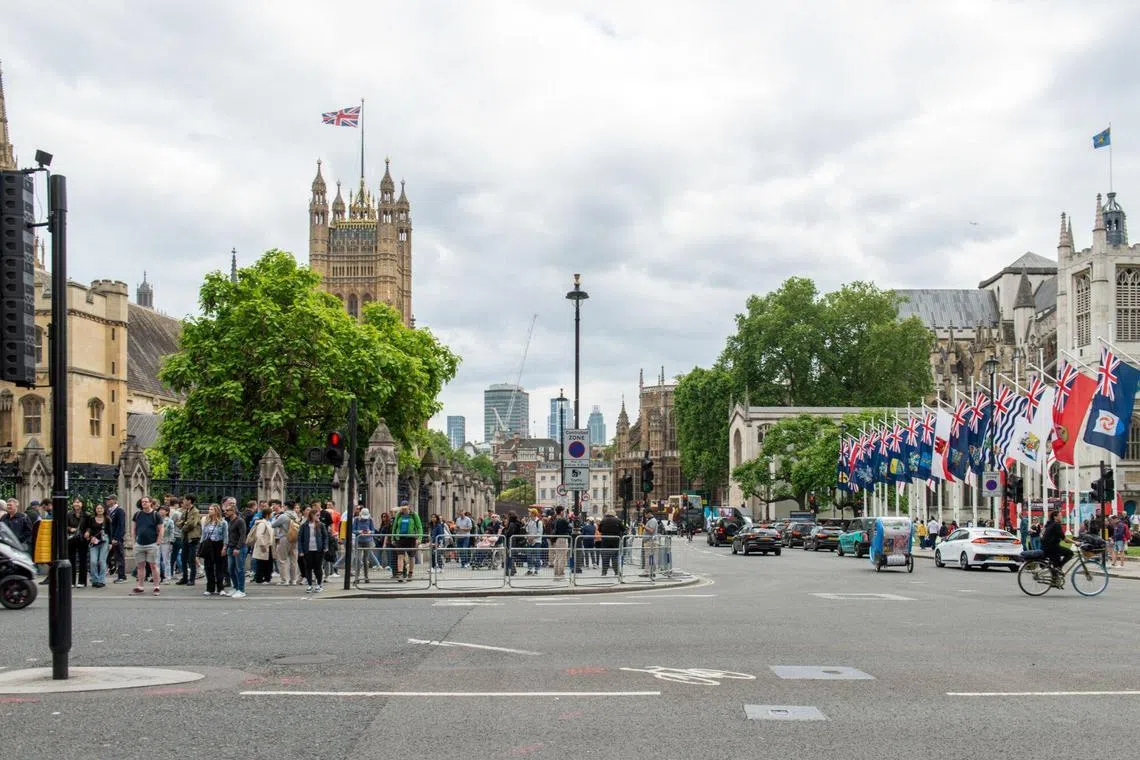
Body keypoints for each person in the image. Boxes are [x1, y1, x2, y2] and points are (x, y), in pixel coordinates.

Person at [130, 497, 164, 596]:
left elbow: (161, 529)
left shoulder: (155, 515)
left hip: (152, 544)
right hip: (139, 544)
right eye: (142, 502)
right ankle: (140, 586)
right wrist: (133, 542)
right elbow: (133, 529)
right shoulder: (137, 514)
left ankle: (156, 587)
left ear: (150, 503)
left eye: (146, 502)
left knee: (153, 566)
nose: (144, 503)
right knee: (140, 566)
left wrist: (158, 541)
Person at [199, 504, 227, 596]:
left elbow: (226, 536)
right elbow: (203, 535)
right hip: (208, 545)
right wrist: (201, 546)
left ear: (216, 511)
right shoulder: (206, 522)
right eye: (209, 509)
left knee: (219, 567)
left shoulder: (223, 523)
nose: (209, 511)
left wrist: (224, 547)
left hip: (218, 544)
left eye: (211, 509)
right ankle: (210, 588)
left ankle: (220, 588)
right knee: (208, 567)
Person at [298, 507, 328, 593]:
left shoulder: (321, 525)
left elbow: (325, 537)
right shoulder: (304, 525)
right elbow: (300, 538)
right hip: (307, 550)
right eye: (317, 515)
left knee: (318, 568)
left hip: (318, 549)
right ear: (311, 515)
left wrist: (325, 546)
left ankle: (319, 584)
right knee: (308, 568)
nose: (318, 517)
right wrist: (301, 551)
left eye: (319, 515)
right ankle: (310, 585)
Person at [391, 501, 423, 582]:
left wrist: (419, 538)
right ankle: (400, 574)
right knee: (400, 556)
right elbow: (394, 527)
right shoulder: (399, 514)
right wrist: (393, 538)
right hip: (400, 538)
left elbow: (419, 527)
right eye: (402, 507)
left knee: (411, 556)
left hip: (411, 538)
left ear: (408, 507)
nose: (404, 509)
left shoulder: (414, 514)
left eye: (405, 507)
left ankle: (410, 573)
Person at [1040, 510, 1072, 586]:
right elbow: (1064, 539)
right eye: (1060, 515)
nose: (1061, 517)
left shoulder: (1048, 523)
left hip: (1045, 547)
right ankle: (1059, 568)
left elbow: (1042, 533)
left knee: (1055, 562)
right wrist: (1075, 542)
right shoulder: (1056, 525)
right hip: (1052, 547)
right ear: (1055, 517)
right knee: (1070, 553)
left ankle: (1054, 580)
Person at [223, 499, 248, 598]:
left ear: (233, 511)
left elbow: (243, 535)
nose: (225, 512)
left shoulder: (240, 521)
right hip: (231, 547)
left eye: (228, 510)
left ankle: (241, 590)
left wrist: (237, 548)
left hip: (239, 548)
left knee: (240, 569)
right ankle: (236, 587)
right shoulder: (230, 521)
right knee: (231, 569)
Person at [84, 502, 110, 588]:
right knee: (93, 561)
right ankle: (94, 580)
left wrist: (110, 543)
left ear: (104, 510)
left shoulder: (107, 519)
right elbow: (88, 528)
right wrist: (88, 533)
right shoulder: (91, 518)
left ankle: (101, 580)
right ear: (95, 509)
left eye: (101, 508)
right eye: (98, 508)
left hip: (104, 541)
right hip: (94, 541)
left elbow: (110, 532)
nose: (99, 510)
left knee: (102, 561)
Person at [176, 495, 201, 585]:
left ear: (189, 501)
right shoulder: (185, 511)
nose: (183, 501)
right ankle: (185, 577)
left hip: (192, 538)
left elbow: (192, 524)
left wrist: (184, 524)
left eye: (185, 500)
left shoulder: (195, 512)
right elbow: (178, 523)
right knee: (183, 558)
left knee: (191, 559)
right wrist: (184, 523)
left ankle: (192, 579)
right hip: (185, 537)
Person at [66, 498, 89, 588]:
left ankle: (82, 581)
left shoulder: (86, 515)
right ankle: (71, 581)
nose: (77, 504)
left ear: (82, 504)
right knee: (71, 560)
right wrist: (70, 529)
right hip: (71, 539)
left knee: (83, 560)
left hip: (82, 539)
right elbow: (64, 525)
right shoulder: (68, 514)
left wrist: (88, 531)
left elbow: (89, 526)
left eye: (79, 502)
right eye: (75, 502)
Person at [106, 496, 128, 583]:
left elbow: (121, 526)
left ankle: (122, 576)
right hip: (110, 538)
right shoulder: (109, 511)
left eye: (109, 499)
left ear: (114, 501)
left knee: (119, 556)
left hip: (116, 538)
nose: (107, 501)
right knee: (109, 556)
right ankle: (112, 568)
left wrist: (117, 538)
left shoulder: (119, 511)